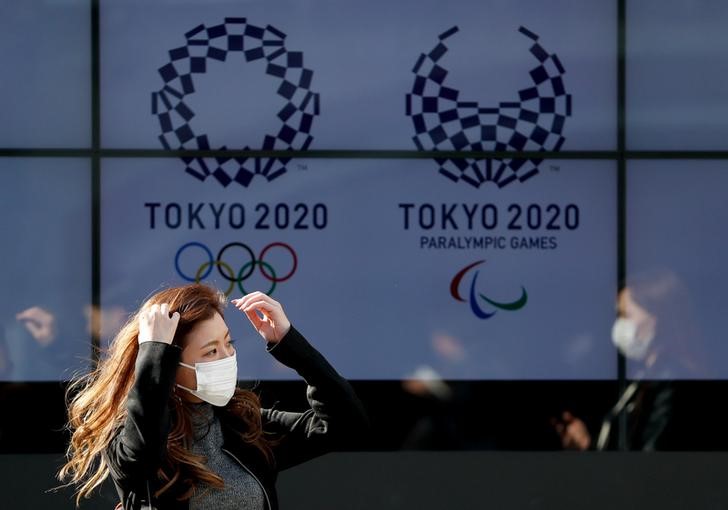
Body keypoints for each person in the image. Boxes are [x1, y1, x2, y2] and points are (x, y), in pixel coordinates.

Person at [58, 284, 368, 509]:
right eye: (211, 351)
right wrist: (154, 354)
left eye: (228, 344)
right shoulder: (132, 433)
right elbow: (143, 452)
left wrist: (289, 344)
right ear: (170, 363)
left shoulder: (244, 426)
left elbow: (345, 424)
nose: (226, 357)